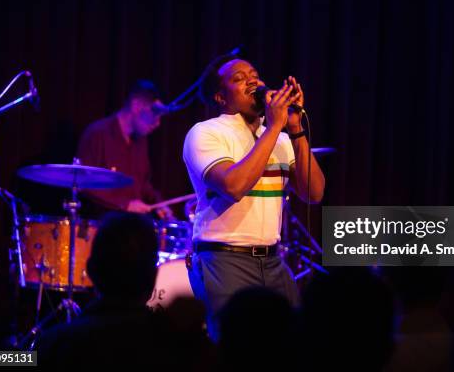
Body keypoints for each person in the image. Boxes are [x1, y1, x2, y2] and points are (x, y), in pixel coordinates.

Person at [183, 54, 325, 340]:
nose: (253, 81)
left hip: (273, 261)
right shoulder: (206, 133)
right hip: (224, 259)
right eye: (238, 78)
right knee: (234, 349)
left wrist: (294, 127)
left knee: (291, 345)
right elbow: (234, 186)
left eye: (255, 75)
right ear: (220, 98)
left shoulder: (281, 139)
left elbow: (314, 193)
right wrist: (274, 127)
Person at [37, 212, 212, 367]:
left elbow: (14, 360)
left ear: (91, 270)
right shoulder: (181, 347)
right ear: (153, 275)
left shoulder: (54, 344)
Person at [76, 79, 172, 218]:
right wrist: (124, 205)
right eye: (155, 113)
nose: (158, 123)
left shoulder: (141, 140)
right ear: (136, 105)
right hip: (100, 228)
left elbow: (142, 185)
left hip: (131, 227)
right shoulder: (97, 134)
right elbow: (84, 184)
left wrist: (159, 203)